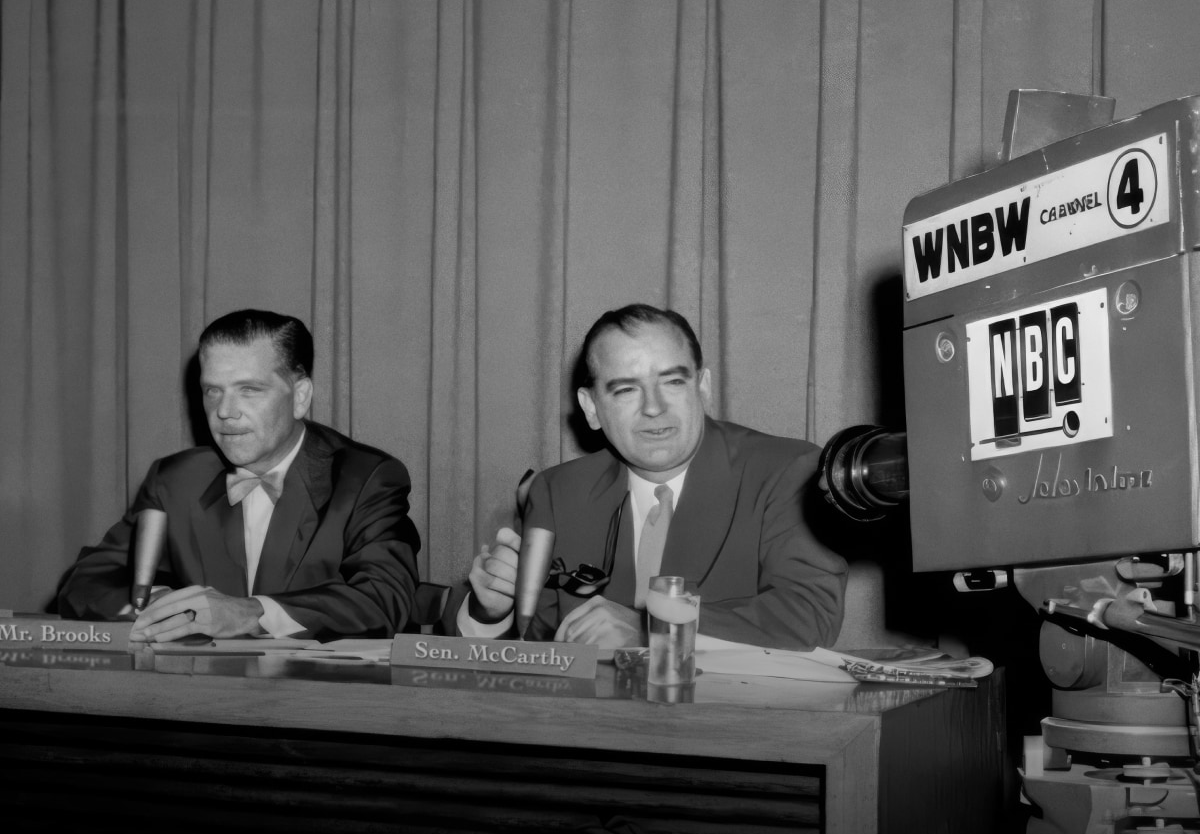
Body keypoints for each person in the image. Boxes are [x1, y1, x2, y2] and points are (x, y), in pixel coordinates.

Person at [460, 303, 846, 650]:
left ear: (703, 386)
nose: (654, 408)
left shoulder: (787, 470)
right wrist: (492, 613)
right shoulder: (557, 492)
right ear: (591, 408)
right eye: (627, 390)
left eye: (673, 381)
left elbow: (809, 615)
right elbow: (539, 641)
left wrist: (653, 630)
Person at [57, 309, 421, 642]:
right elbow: (85, 582)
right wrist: (161, 604)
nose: (225, 412)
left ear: (300, 396)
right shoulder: (175, 478)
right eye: (213, 391)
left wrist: (251, 613)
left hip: (320, 703)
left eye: (249, 390)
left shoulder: (367, 477)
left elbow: (384, 598)